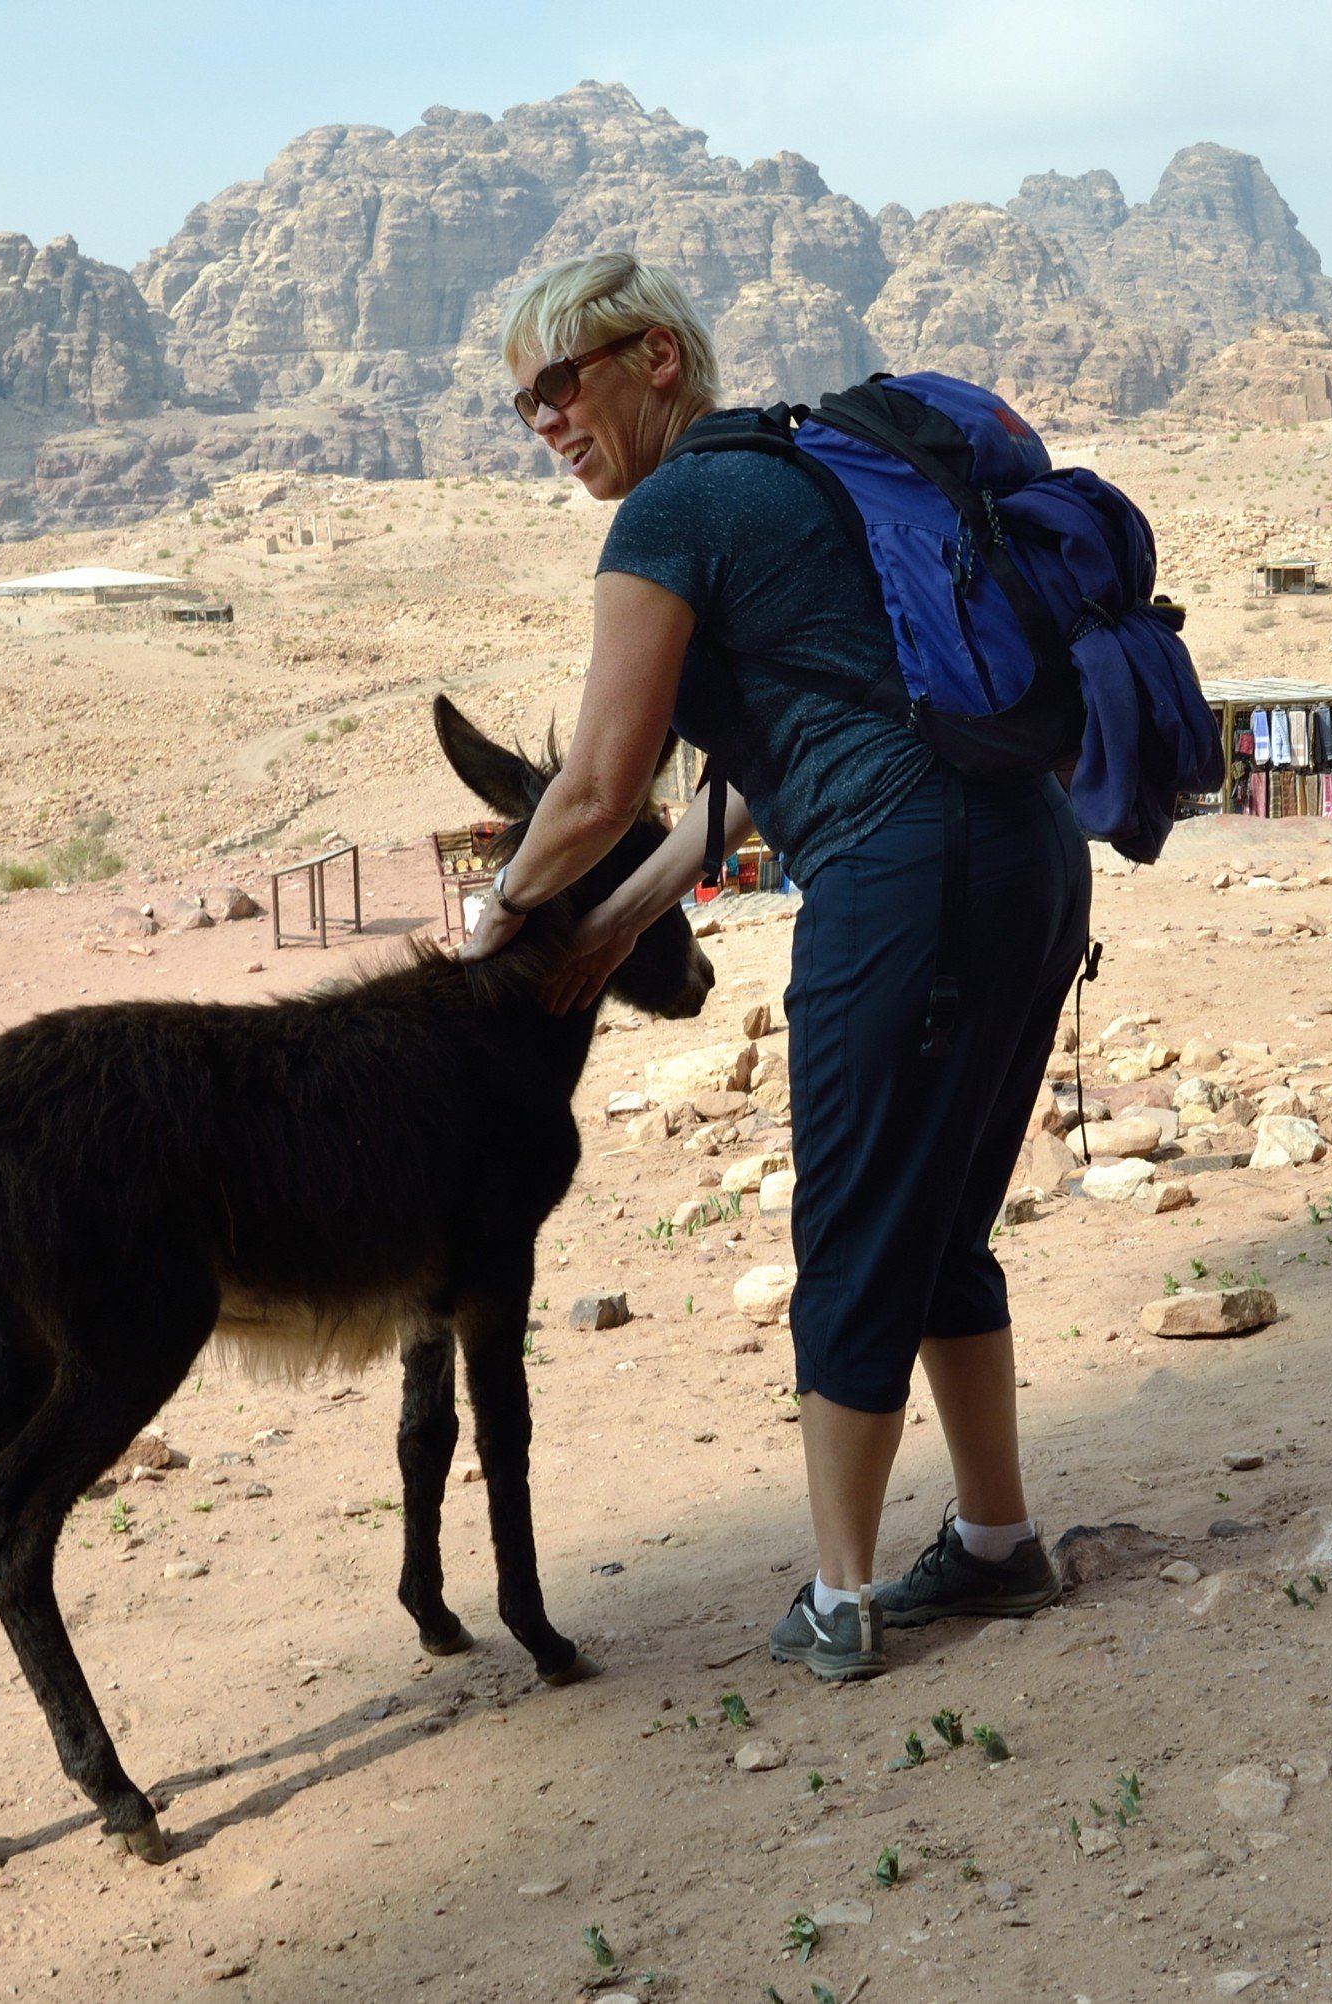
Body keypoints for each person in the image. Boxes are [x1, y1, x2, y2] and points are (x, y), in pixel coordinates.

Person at [456, 251, 1090, 1683]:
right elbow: (760, 771)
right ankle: (997, 1543)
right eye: (523, 406)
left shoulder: (674, 510)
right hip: (1027, 859)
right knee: (936, 1224)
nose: (547, 419)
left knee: (857, 1223)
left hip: (902, 880)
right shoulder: (800, 475)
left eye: (562, 382)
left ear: (654, 361)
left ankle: (839, 1599)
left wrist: (498, 912)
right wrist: (624, 919)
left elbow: (602, 782)